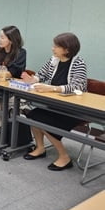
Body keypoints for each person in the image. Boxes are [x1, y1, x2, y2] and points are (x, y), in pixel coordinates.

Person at [21, 33, 87, 171]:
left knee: (43, 121)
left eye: (56, 46)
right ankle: (40, 148)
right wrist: (31, 80)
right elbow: (41, 75)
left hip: (72, 109)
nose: (53, 49)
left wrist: (51, 88)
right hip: (55, 105)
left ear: (67, 49)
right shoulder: (54, 60)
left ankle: (64, 157)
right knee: (33, 114)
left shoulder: (78, 63)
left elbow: (77, 87)